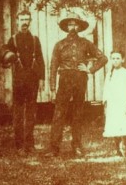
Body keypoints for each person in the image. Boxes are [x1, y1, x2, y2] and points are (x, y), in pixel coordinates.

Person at [45, 12, 108, 157]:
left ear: (79, 27)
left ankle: (77, 146)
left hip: (80, 79)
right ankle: (54, 148)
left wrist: (90, 69)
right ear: (66, 27)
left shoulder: (85, 43)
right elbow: (53, 66)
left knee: (78, 113)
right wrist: (53, 87)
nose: (72, 27)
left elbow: (103, 58)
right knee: (59, 113)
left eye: (75, 24)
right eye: (69, 24)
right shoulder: (59, 45)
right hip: (65, 79)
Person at [0, 10, 45, 155]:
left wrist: (42, 79)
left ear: (30, 22)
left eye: (27, 20)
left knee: (31, 113)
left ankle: (30, 144)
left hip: (33, 80)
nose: (24, 22)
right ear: (17, 21)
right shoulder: (12, 40)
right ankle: (19, 145)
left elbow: (40, 60)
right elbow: (3, 56)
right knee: (18, 114)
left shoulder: (35, 40)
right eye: (22, 20)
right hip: (19, 81)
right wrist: (7, 55)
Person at [103, 50, 126, 158]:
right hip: (112, 104)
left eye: (118, 58)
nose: (115, 61)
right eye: (113, 58)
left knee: (125, 125)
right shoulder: (109, 74)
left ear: (122, 59)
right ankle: (118, 149)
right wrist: (106, 105)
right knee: (114, 125)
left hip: (123, 103)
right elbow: (106, 90)